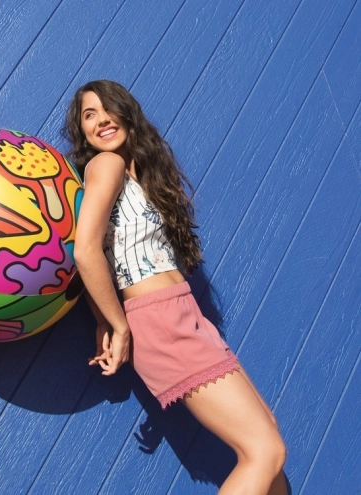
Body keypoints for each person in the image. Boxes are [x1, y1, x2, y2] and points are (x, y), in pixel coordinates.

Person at [65, 80, 287, 495]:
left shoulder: (140, 173)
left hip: (183, 313)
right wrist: (118, 325)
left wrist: (104, 320)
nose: (101, 120)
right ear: (82, 132)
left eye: (108, 109)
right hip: (159, 319)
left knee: (268, 441)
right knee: (265, 452)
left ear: (127, 112)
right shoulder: (106, 165)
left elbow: (107, 260)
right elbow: (85, 251)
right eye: (89, 115)